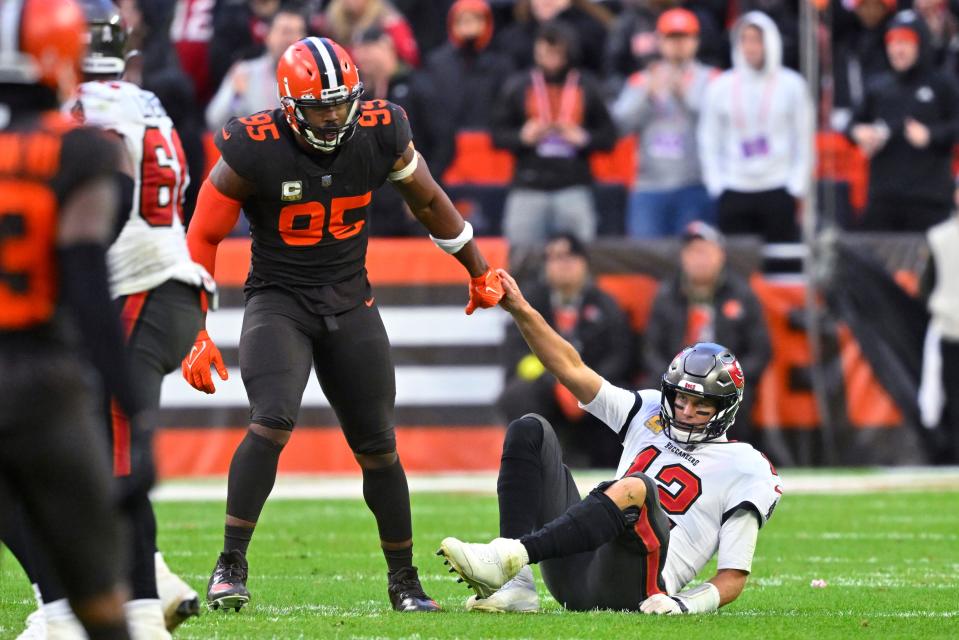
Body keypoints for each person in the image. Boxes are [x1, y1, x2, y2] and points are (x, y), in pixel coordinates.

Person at [181, 36, 504, 613]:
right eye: (319, 107)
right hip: (280, 300)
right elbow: (204, 233)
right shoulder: (253, 145)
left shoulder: (384, 129)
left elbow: (429, 202)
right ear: (287, 106)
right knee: (272, 420)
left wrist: (478, 268)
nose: (333, 117)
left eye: (341, 103)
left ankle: (404, 581)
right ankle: (230, 564)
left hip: (352, 302)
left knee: (379, 446)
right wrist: (195, 326)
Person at [4, 2, 216, 637]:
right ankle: (127, 592)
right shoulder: (142, 100)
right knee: (95, 461)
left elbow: (111, 209)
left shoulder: (80, 119)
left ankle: (123, 609)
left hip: (127, 293)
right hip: (167, 283)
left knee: (105, 464)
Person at [438, 270, 783, 614]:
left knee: (638, 487)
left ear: (725, 408)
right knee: (530, 430)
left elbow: (733, 575)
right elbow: (571, 369)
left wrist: (684, 605)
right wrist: (519, 307)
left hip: (639, 588)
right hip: (577, 569)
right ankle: (515, 585)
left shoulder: (746, 466)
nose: (685, 411)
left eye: (700, 405)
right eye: (679, 399)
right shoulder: (648, 411)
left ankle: (507, 556)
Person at [0, 0, 137, 638]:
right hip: (43, 378)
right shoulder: (81, 149)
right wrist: (130, 401)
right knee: (99, 599)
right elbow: (86, 275)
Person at [498, 233, 633, 467]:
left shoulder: (605, 304)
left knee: (624, 399)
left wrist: (588, 385)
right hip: (546, 386)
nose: (562, 264)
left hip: (594, 386)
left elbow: (621, 355)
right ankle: (528, 467)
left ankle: (614, 472)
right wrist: (557, 383)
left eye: (569, 257)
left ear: (584, 263)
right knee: (517, 394)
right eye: (554, 257)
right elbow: (518, 355)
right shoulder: (530, 302)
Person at [644, 222, 771, 445]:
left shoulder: (742, 294)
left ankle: (731, 458)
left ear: (720, 255)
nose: (698, 259)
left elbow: (761, 350)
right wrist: (672, 379)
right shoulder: (666, 295)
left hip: (723, 384)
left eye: (705, 251)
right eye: (693, 252)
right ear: (682, 257)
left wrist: (730, 380)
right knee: (646, 396)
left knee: (742, 397)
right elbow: (650, 349)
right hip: (676, 382)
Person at [491, 21, 616, 247]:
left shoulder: (587, 85)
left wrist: (584, 138)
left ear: (568, 52)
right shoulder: (518, 85)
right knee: (521, 259)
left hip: (574, 186)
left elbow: (609, 136)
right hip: (528, 186)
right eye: (544, 51)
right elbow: (497, 135)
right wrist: (521, 137)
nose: (549, 58)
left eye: (555, 51)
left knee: (579, 256)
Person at [697, 11, 813, 244]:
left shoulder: (792, 85)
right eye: (745, 39)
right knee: (738, 261)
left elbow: (804, 139)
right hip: (733, 186)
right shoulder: (720, 86)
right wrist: (716, 184)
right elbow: (708, 138)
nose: (751, 47)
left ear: (770, 41)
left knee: (780, 263)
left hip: (778, 185)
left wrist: (796, 185)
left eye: (757, 39)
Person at [848, 10, 959, 231]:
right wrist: (859, 133)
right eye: (893, 42)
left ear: (920, 44)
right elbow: (851, 124)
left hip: (929, 199)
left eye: (905, 42)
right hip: (883, 197)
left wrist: (931, 135)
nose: (898, 49)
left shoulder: (942, 84)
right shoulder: (878, 86)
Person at [612, 8, 718, 238]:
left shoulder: (711, 79)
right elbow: (618, 127)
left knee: (692, 256)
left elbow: (719, 127)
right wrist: (647, 97)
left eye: (684, 37)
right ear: (659, 41)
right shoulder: (641, 80)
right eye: (671, 38)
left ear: (696, 41)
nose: (678, 45)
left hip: (695, 183)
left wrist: (685, 97)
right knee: (646, 260)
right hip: (649, 186)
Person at [413, 0, 514, 181]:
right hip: (448, 154)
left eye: (475, 18)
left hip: (492, 153)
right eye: (461, 19)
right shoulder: (437, 63)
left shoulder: (502, 65)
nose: (468, 24)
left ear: (487, 23)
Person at [206, 5, 309, 131]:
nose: (290, 39)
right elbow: (214, 120)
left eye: (297, 32)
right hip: (255, 146)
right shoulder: (245, 72)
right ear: (268, 36)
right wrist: (236, 97)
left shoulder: (311, 75)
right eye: (285, 31)